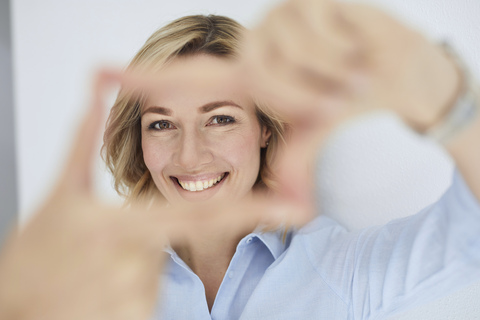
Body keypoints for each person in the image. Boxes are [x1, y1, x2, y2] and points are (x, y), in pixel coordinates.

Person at [0, 1, 479, 320]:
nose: (189, 155)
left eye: (220, 119)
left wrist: (446, 100)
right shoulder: (93, 285)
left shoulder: (343, 268)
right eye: (161, 124)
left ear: (266, 128)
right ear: (138, 141)